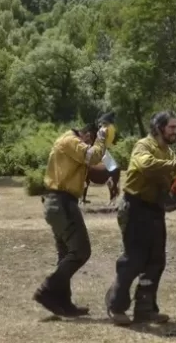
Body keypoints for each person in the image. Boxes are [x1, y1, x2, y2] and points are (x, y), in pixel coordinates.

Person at [105, 110, 176, 327]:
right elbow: (146, 166)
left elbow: (174, 179)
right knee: (134, 260)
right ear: (159, 128)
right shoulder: (143, 146)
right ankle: (115, 306)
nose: (175, 131)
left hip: (154, 210)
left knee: (156, 261)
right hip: (134, 208)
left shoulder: (168, 152)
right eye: (172, 127)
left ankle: (145, 309)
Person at [33, 112, 114, 317]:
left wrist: (108, 168)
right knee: (81, 252)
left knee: (65, 255)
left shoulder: (73, 147)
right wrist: (102, 138)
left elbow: (100, 169)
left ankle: (64, 303)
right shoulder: (70, 141)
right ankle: (47, 290)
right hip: (61, 202)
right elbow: (92, 156)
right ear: (86, 135)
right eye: (91, 140)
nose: (91, 144)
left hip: (58, 203)